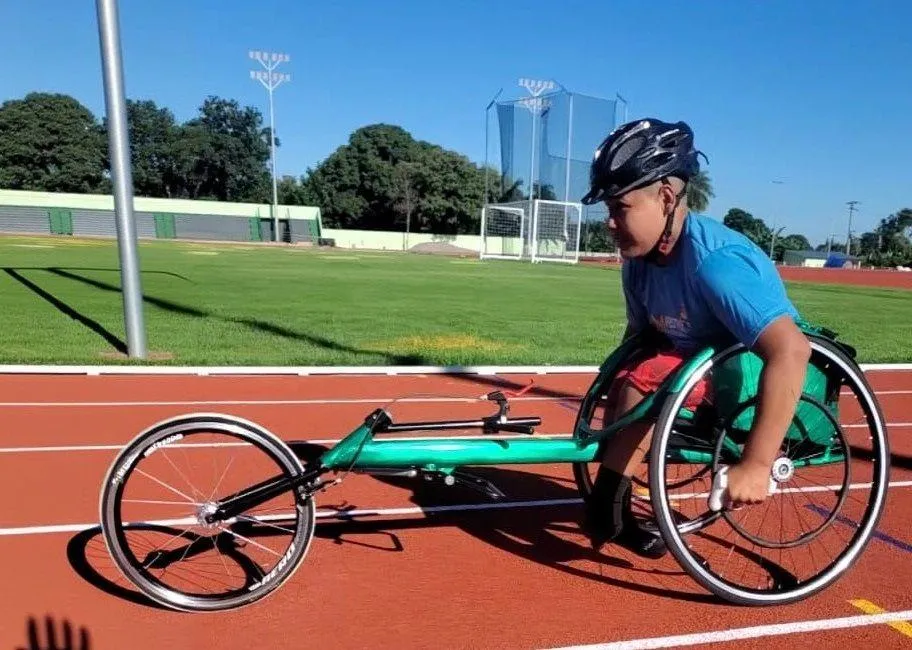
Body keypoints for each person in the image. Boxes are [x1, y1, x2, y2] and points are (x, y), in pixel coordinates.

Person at [579, 118, 812, 558]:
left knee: (647, 375)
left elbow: (791, 349)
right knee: (632, 370)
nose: (610, 223)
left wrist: (757, 464)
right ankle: (613, 503)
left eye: (620, 208)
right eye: (607, 210)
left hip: (745, 373)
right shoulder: (640, 263)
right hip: (691, 369)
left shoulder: (717, 264)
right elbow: (641, 334)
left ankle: (606, 506)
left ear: (666, 197)